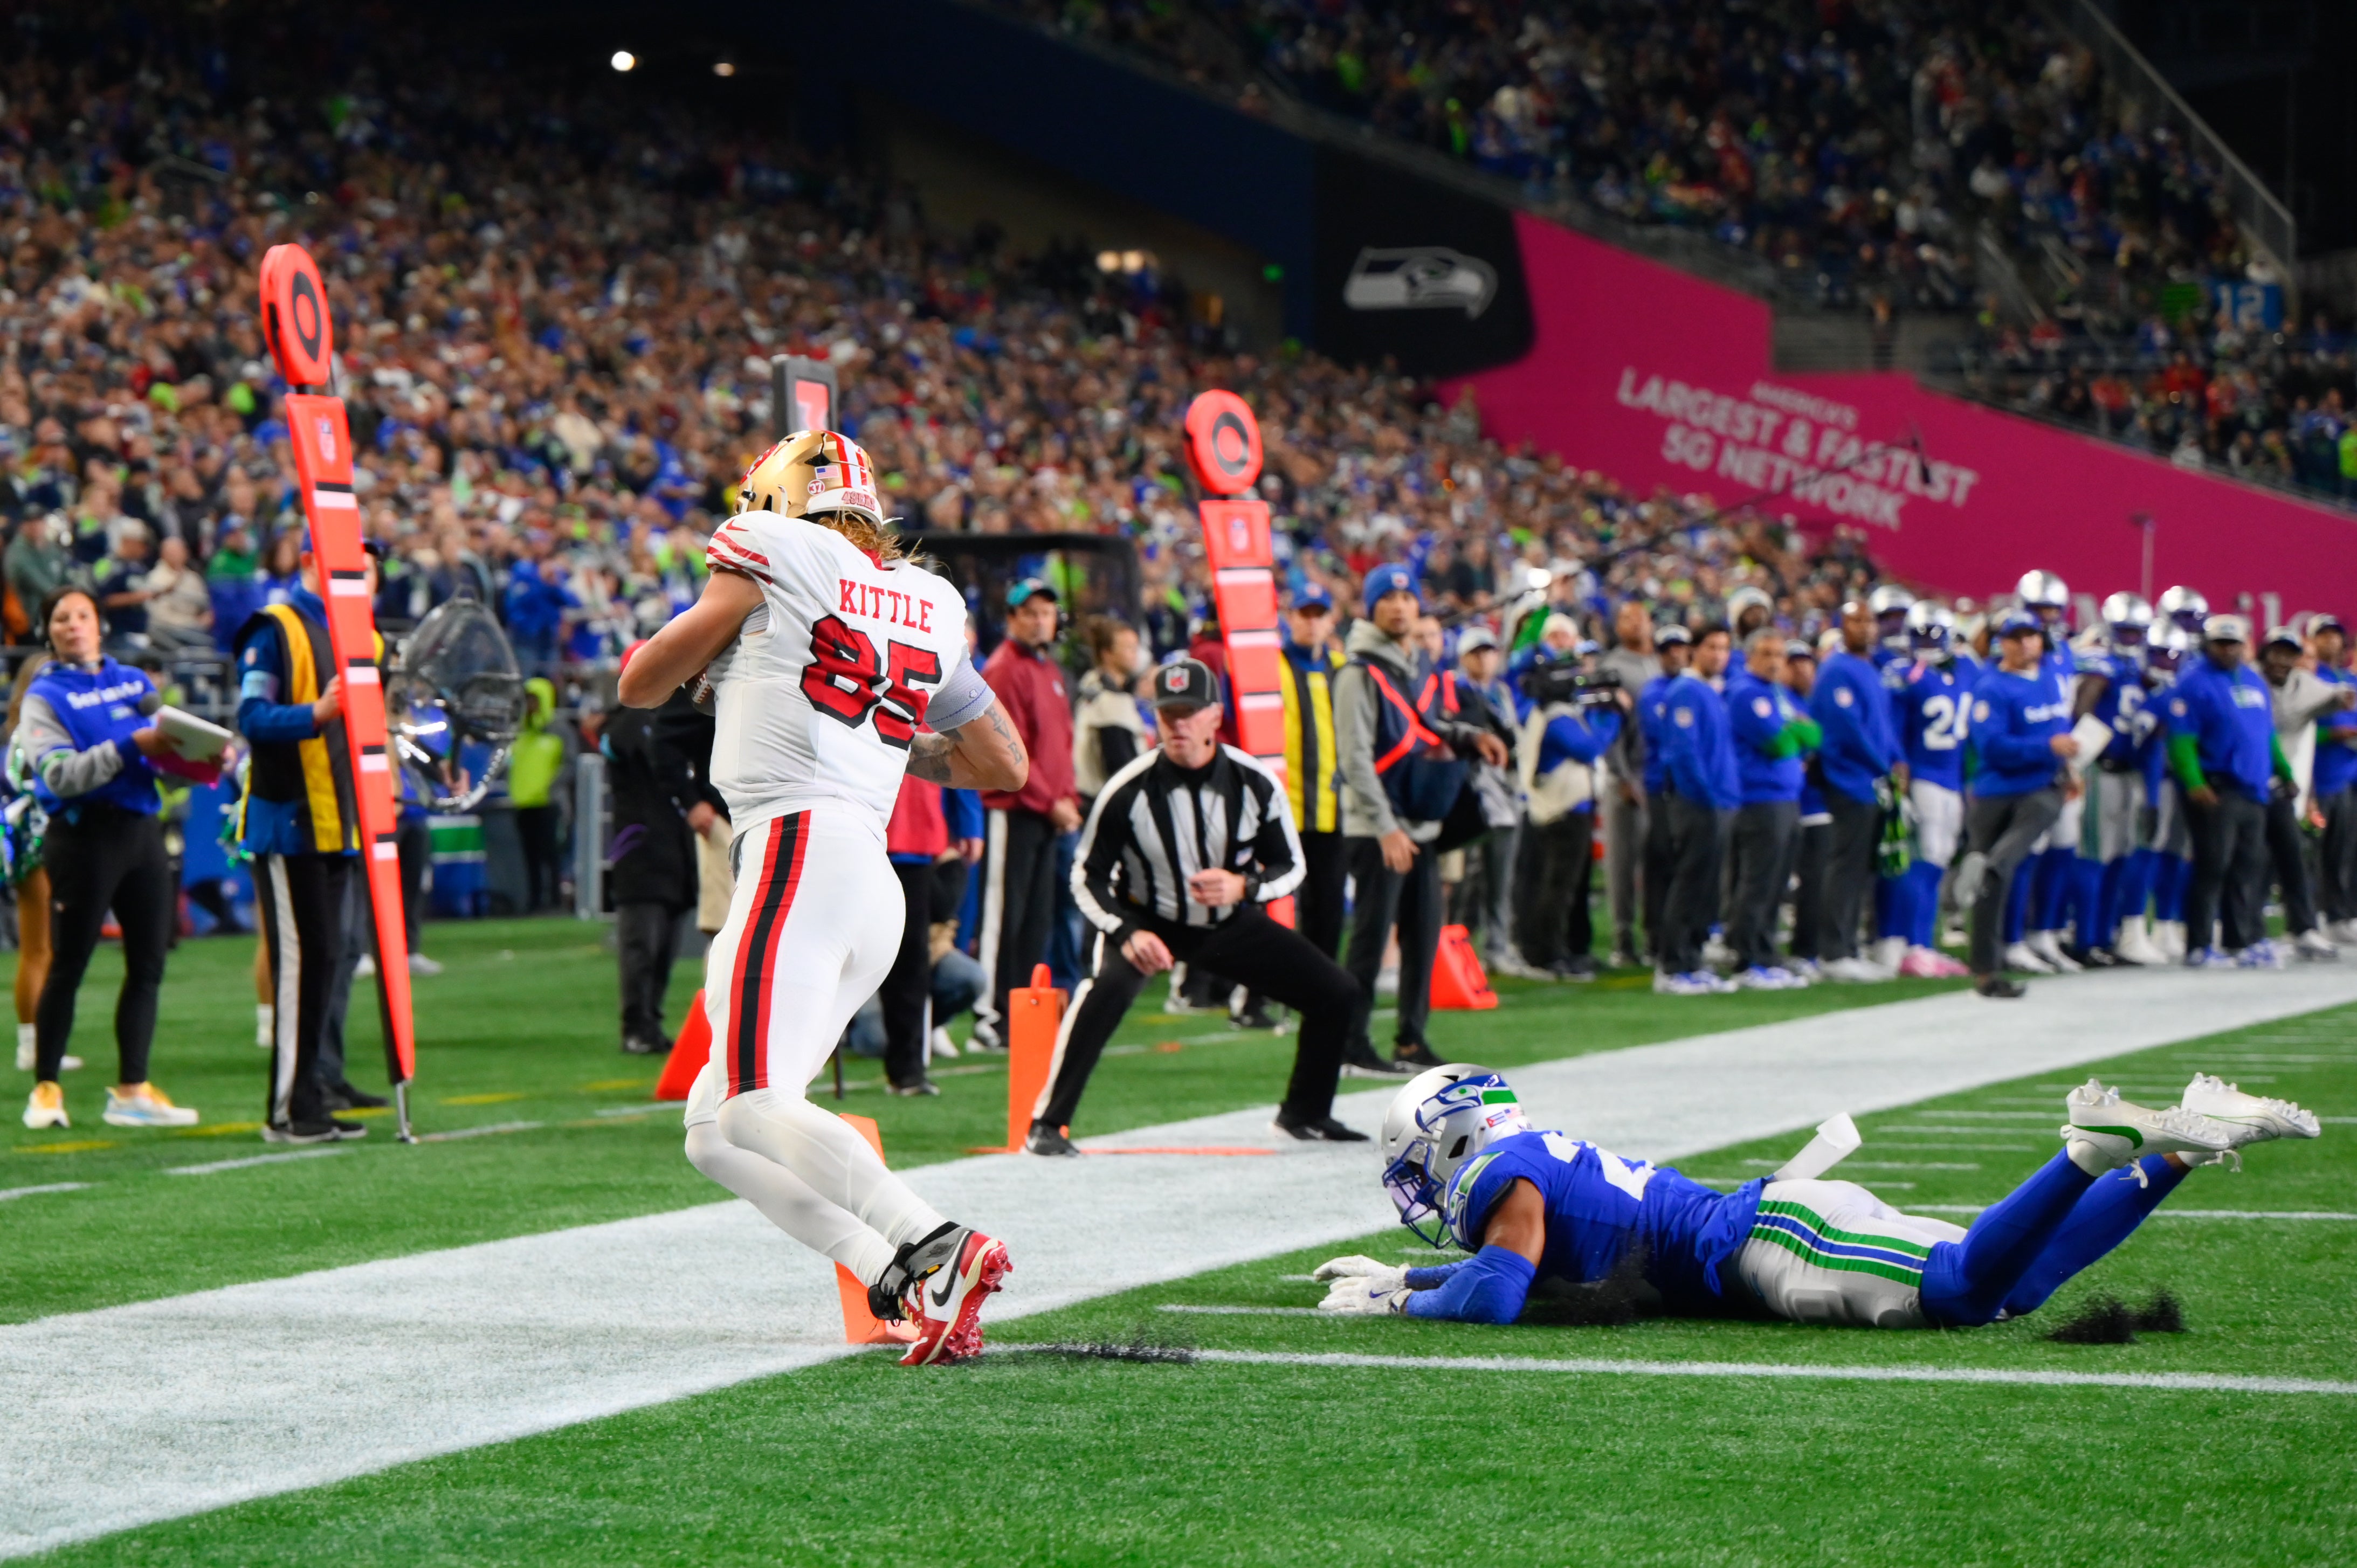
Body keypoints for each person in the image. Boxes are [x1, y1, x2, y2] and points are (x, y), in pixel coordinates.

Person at [618, 428, 1027, 1366]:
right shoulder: (929, 599)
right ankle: (894, 1273)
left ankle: (936, 1242)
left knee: (754, 1101)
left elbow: (639, 681)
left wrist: (720, 663)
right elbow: (1003, 763)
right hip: (867, 877)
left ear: (775, 501)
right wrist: (882, 738)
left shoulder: (772, 549)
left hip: (796, 850)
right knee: (715, 1130)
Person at [1313, 1062, 2314, 1328]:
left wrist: (1405, 1301)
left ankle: (2086, 1151)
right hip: (1781, 1223)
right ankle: (2183, 1143)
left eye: (1420, 1161)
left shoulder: (1502, 1179)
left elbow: (1496, 1292)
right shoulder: (1528, 1165)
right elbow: (1514, 1264)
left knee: (1963, 1292)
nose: (1423, 1185)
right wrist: (1411, 1272)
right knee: (2015, 1285)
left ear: (1453, 1137)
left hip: (1775, 1243)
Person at [1032, 657, 1361, 1151]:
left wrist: (1243, 887)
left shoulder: (1253, 782)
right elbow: (1087, 874)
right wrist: (1126, 931)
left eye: (1189, 712)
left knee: (1337, 992)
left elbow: (1291, 865)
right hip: (1148, 920)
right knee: (1103, 991)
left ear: (1215, 716)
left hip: (1227, 923)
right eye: (1167, 713)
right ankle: (1047, 1123)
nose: (1178, 724)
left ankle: (1305, 1114)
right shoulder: (1129, 787)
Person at [17, 586, 197, 1131]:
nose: (74, 625)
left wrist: (203, 754)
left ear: (100, 624)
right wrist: (130, 747)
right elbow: (58, 775)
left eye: (83, 615)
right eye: (61, 618)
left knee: (148, 964)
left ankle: (132, 1090)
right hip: (83, 837)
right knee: (68, 963)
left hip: (141, 831)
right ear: (47, 631)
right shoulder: (44, 696)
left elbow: (166, 747)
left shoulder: (136, 681)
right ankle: (46, 1088)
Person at [234, 537, 388, 1141]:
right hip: (290, 820)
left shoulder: (364, 635)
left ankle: (311, 1095)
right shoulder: (275, 626)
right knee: (301, 963)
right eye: (346, 563)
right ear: (307, 563)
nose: (359, 575)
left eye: (365, 567)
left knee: (326, 959)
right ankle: (288, 1109)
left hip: (340, 823)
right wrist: (315, 713)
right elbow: (250, 716)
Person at [1333, 564, 1511, 1074]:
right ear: (1371, 607)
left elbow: (1429, 726)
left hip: (1419, 824)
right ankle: (1351, 1044)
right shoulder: (1357, 673)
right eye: (1387, 598)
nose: (1398, 606)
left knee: (1424, 933)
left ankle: (1411, 1040)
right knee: (1371, 940)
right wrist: (1385, 827)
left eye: (1407, 598)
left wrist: (1473, 737)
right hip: (1379, 829)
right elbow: (1355, 759)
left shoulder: (1416, 665)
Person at [971, 577, 1079, 1051]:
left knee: (1036, 920)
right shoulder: (1004, 669)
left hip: (1048, 813)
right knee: (1004, 917)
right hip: (1014, 810)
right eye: (1031, 613)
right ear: (1012, 618)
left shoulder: (1048, 669)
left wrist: (1067, 798)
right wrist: (1052, 800)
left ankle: (1021, 1013)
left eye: (1046, 613)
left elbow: (1061, 745)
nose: (1040, 621)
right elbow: (1006, 749)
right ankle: (991, 1015)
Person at [2163, 616, 2297, 968]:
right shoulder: (2193, 682)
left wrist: (2284, 771)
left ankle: (2240, 941)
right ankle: (2199, 944)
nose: (2227, 650)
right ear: (2207, 644)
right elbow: (2181, 739)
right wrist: (2194, 782)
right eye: (2221, 644)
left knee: (2247, 867)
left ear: (2244, 645)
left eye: (2233, 644)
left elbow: (2265, 734)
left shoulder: (2253, 679)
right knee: (2212, 867)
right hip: (2218, 785)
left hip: (2254, 788)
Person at [1957, 609, 2075, 998]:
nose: (2026, 644)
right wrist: (2046, 748)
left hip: (2040, 783)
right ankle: (1986, 972)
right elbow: (1991, 746)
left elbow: (2057, 730)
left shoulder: (2049, 679)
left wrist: (2067, 764)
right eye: (2017, 637)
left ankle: (1994, 864)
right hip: (1998, 790)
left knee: (2002, 865)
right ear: (2002, 643)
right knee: (1995, 880)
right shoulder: (1992, 687)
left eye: (2032, 636)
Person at [601, 676, 714, 1055]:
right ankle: (636, 1025)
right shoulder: (628, 723)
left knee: (664, 946)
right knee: (642, 945)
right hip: (641, 848)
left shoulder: (665, 720)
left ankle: (650, 1023)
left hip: (674, 847)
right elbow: (641, 748)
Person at [1510, 620, 1621, 979]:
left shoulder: (1558, 713)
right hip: (1563, 810)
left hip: (1572, 807)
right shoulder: (1554, 716)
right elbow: (1588, 747)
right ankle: (1548, 952)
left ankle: (1568, 949)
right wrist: (1611, 717)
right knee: (1558, 888)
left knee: (1569, 887)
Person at [1810, 599, 1901, 981]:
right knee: (1845, 865)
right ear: (1842, 626)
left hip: (1870, 781)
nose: (1864, 627)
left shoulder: (1871, 668)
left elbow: (1882, 725)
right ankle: (1834, 951)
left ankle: (1849, 945)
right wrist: (1884, 765)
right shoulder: (1836, 669)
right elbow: (1847, 730)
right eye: (1855, 621)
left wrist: (1897, 759)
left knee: (1860, 867)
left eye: (1869, 621)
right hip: (1848, 779)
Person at [1723, 628, 1817, 990]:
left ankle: (1766, 954)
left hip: (1786, 795)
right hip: (1759, 798)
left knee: (1776, 883)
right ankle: (1747, 958)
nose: (1775, 662)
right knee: (1758, 882)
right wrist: (1796, 733)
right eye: (1766, 654)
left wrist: (1797, 734)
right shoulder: (1746, 692)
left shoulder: (1777, 693)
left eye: (1779, 655)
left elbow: (1815, 737)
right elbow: (1780, 744)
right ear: (1750, 657)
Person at [879, 772, 983, 1095]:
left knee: (912, 957)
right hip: (855, 830)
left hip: (915, 837)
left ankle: (908, 1071)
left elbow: (951, 750)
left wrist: (969, 822)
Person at [1885, 603, 1973, 977]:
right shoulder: (1906, 674)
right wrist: (1900, 768)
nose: (1927, 644)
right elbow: (1892, 728)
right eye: (1921, 636)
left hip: (1953, 779)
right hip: (1924, 777)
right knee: (1923, 861)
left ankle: (1924, 944)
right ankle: (1913, 945)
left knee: (1937, 863)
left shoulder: (1964, 669)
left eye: (1934, 637)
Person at [1652, 623, 1739, 994]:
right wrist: (1706, 795)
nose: (1719, 655)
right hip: (1697, 802)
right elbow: (1683, 752)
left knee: (1705, 886)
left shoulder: (1709, 690)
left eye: (1724, 648)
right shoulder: (1686, 691)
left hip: (1716, 800)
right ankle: (1673, 966)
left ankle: (1692, 958)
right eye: (1712, 647)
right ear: (1695, 650)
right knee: (1690, 881)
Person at [2258, 624, 2352, 962]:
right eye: (2277, 654)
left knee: (2291, 859)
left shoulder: (2303, 684)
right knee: (2253, 862)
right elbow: (2279, 721)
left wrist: (2342, 699)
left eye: (2291, 655)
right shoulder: (2253, 683)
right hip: (2252, 783)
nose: (2283, 661)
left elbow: (2339, 696)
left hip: (2286, 786)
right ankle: (2240, 931)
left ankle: (2303, 929)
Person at [4, 651, 79, 1076]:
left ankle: (39, 1042)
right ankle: (33, 1044)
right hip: (37, 841)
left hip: (33, 840)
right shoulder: (32, 732)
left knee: (45, 947)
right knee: (39, 947)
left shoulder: (23, 730)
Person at [1276, 584, 1348, 958]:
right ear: (1290, 618)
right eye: (1305, 614)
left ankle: (1324, 978)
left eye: (1319, 615)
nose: (1312, 623)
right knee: (1278, 906)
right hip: (1284, 807)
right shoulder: (1272, 666)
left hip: (1333, 810)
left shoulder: (1342, 668)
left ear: (1331, 621)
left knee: (1329, 905)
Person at [1596, 602, 1661, 968]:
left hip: (1658, 777)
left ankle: (1654, 936)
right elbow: (1608, 727)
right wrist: (1620, 775)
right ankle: (1623, 940)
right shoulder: (1612, 668)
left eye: (1640, 617)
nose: (1634, 623)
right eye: (1625, 618)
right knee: (1623, 862)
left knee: (1657, 860)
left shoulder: (1659, 664)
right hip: (1628, 777)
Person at [1636, 625, 1693, 970]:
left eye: (1680, 647)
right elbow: (1668, 734)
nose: (1675, 654)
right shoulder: (1653, 693)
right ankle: (1655, 937)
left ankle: (1681, 934)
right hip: (1661, 787)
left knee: (1684, 864)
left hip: (1686, 789)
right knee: (1660, 862)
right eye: (1668, 649)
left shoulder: (1692, 689)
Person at [1781, 638, 1831, 976]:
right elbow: (1791, 745)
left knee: (1816, 879)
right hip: (1788, 800)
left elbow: (1818, 742)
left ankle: (1808, 946)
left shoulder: (1814, 700)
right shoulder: (1781, 699)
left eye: (1806, 662)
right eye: (1794, 663)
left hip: (1816, 801)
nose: (1802, 669)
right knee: (1782, 880)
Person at [2309, 614, 2357, 944]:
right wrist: (2333, 735)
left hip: (2348, 777)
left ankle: (2341, 915)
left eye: (2335, 635)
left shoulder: (2350, 680)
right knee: (2315, 852)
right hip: (2319, 778)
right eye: (2323, 635)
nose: (2331, 641)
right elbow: (2301, 730)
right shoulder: (2311, 679)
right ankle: (2314, 917)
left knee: (2345, 851)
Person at [507, 676, 568, 912]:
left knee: (551, 854)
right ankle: (534, 900)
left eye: (534, 700)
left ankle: (555, 899)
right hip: (524, 801)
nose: (530, 705)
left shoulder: (558, 731)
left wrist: (554, 786)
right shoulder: (520, 732)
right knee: (529, 855)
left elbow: (570, 763)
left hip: (549, 802)